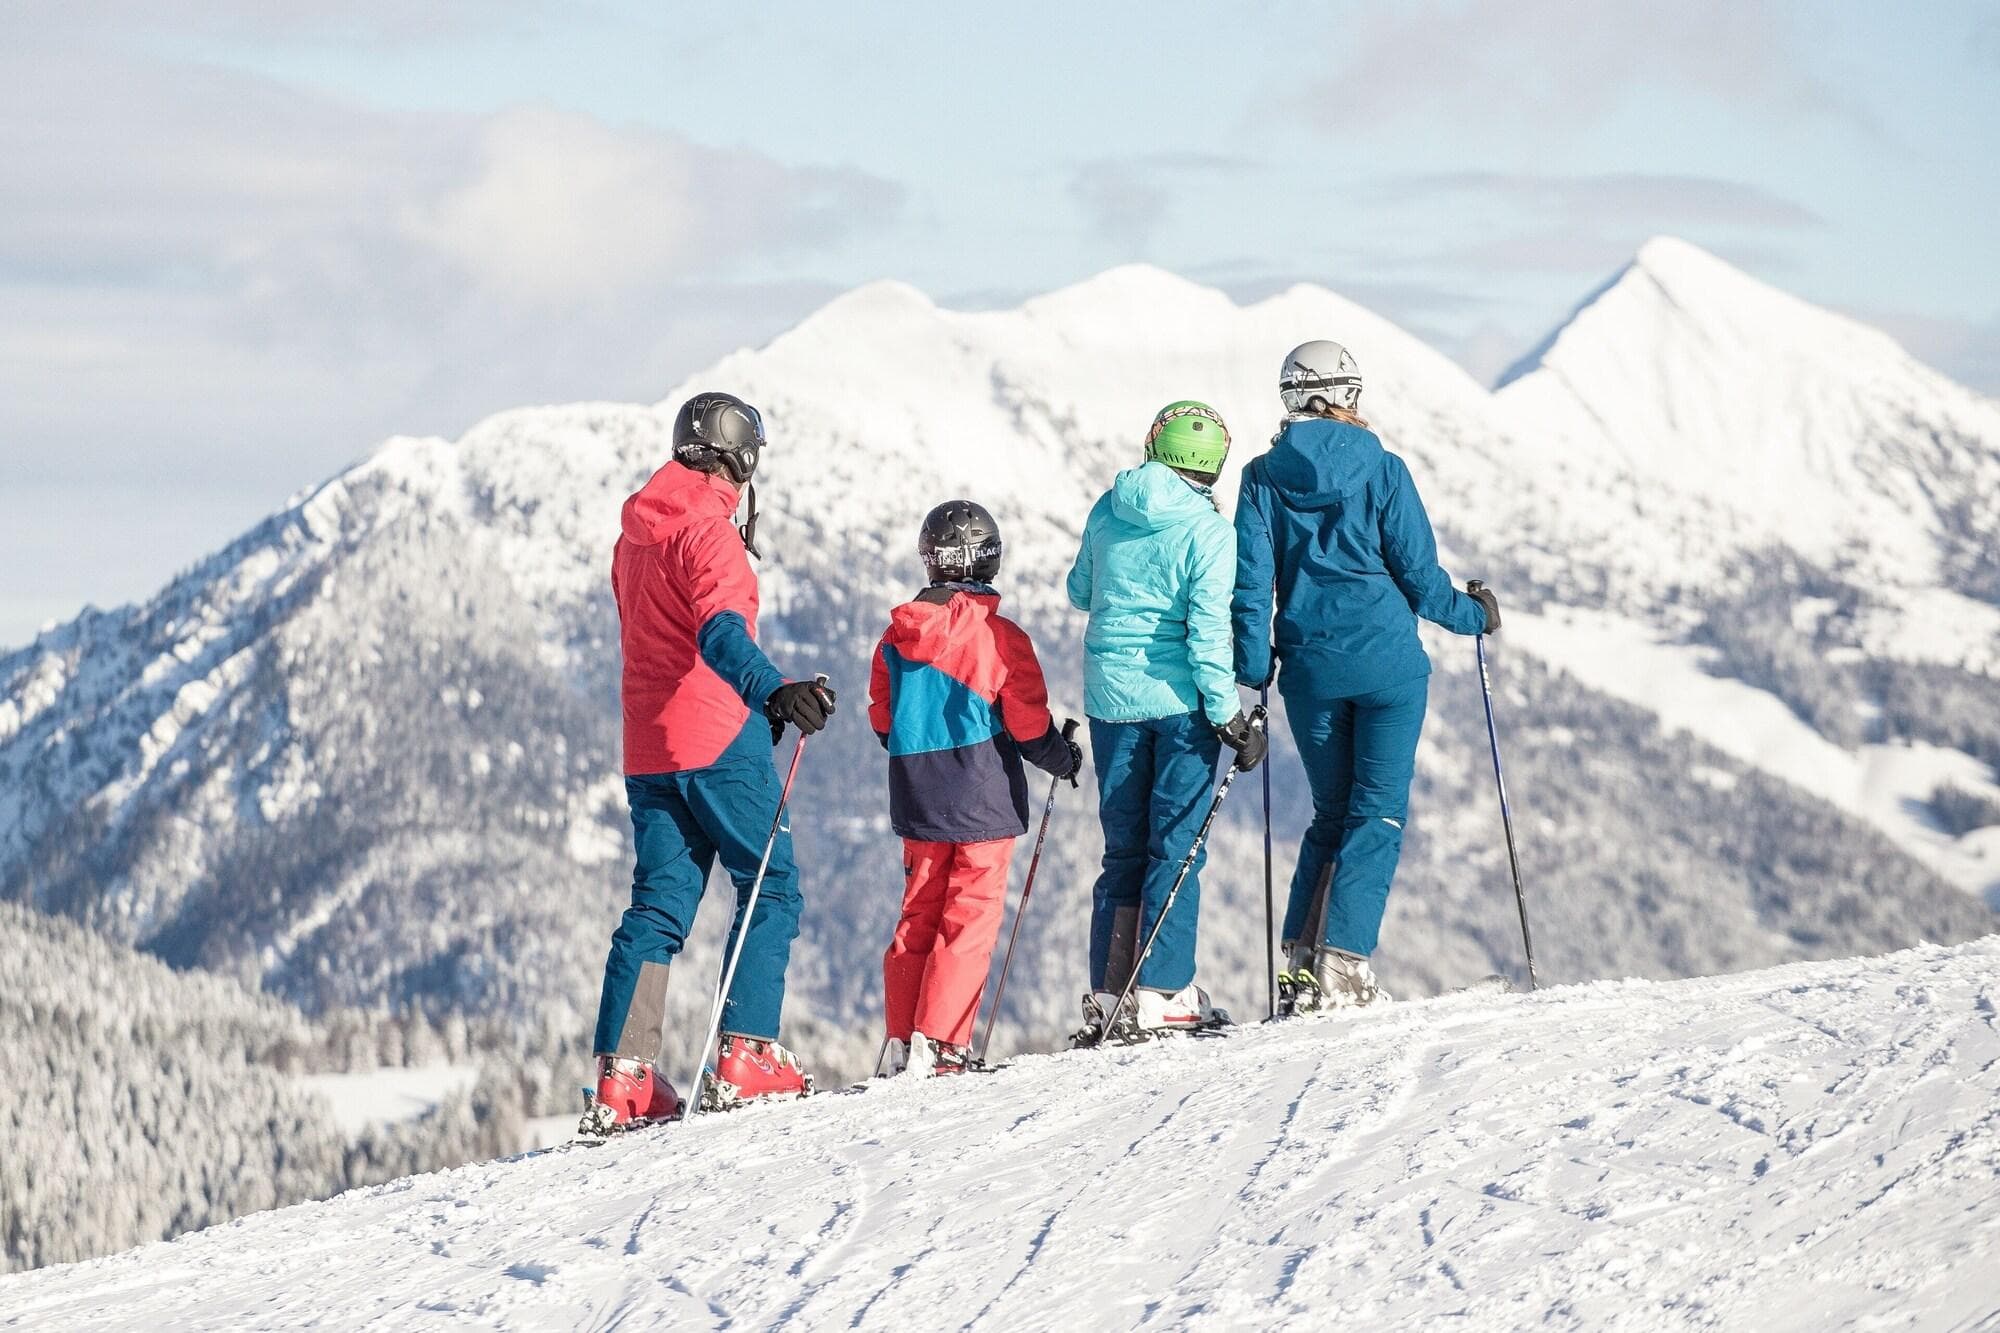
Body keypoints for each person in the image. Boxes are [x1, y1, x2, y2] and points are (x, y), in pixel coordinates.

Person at [584, 390, 840, 1131]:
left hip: (648, 746)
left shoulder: (632, 537)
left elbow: (655, 636)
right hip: (716, 739)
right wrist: (776, 691)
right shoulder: (711, 535)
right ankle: (746, 1052)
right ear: (742, 459)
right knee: (771, 882)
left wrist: (763, 698)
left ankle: (624, 1078)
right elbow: (720, 635)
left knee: (658, 904)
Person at [1232, 342, 1499, 1013]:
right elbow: (1418, 575)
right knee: (1375, 810)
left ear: (1291, 399)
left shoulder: (1262, 478)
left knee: (1330, 812)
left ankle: (1302, 960)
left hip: (1311, 671)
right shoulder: (1384, 468)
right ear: (1349, 395)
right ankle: (1345, 967)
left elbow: (1251, 585)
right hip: (1388, 668)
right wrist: (1475, 616)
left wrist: (1255, 665)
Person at [1066, 401, 1267, 1039]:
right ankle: (1164, 992)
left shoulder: (1109, 505)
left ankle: (1110, 992)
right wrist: (1230, 718)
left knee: (1122, 849)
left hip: (1111, 703)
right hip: (1182, 710)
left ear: (1157, 443)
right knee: (1176, 849)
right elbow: (1207, 636)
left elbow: (1079, 591)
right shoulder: (1211, 533)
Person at [867, 500, 1082, 1075]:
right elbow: (1029, 726)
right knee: (970, 915)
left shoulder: (896, 637)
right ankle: (940, 1043)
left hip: (917, 796)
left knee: (919, 913)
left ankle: (901, 1040)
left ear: (930, 561)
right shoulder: (1001, 637)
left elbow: (884, 723)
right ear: (991, 562)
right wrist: (1063, 758)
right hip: (982, 795)